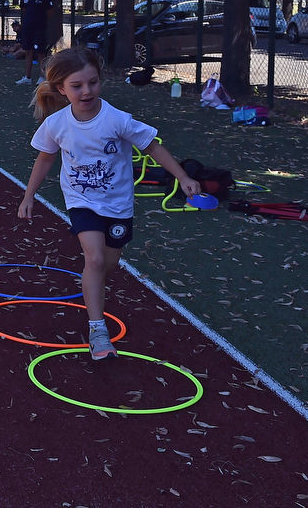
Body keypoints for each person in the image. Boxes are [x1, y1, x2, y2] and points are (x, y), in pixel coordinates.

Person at [16, 47, 198, 360]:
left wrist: (182, 177)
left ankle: (93, 288)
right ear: (62, 89)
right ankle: (98, 331)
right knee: (96, 260)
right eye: (77, 86)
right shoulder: (57, 124)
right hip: (81, 201)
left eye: (93, 83)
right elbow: (45, 158)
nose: (86, 91)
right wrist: (29, 195)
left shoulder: (117, 120)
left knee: (108, 265)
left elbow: (153, 147)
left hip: (118, 204)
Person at [16, 0, 53, 84]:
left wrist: (41, 21)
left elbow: (50, 11)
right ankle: (27, 77)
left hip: (39, 29)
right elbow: (23, 9)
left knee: (40, 52)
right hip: (28, 29)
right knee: (28, 51)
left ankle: (42, 78)